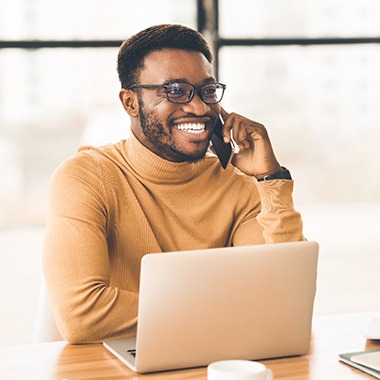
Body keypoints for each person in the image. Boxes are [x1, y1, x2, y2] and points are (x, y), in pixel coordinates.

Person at [43, 24, 304, 344]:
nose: (198, 108)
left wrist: (270, 179)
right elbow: (82, 316)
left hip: (216, 359)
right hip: (113, 364)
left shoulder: (239, 182)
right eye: (175, 90)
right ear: (130, 102)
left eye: (207, 91)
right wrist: (233, 309)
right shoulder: (86, 177)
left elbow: (285, 298)